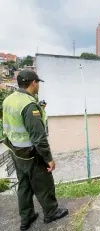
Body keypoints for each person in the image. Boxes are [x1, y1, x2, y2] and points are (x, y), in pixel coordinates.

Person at [2, 70, 68, 230]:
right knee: (44, 185)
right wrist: (49, 159)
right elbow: (39, 137)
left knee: (24, 186)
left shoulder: (9, 99)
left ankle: (27, 218)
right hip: (31, 155)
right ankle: (51, 212)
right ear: (33, 83)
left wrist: (40, 109)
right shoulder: (29, 105)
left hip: (16, 152)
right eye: (38, 83)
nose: (38, 85)